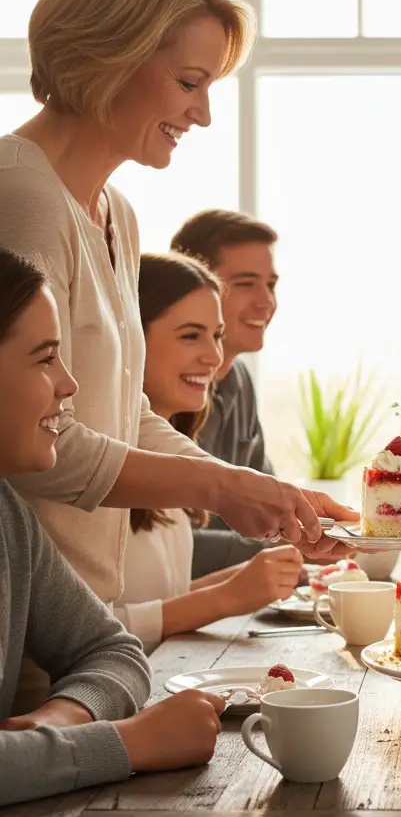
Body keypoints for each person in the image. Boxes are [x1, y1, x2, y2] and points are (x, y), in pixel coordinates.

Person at [0, 0, 353, 622]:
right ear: (110, 57)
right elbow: (38, 436)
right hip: (23, 616)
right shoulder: (21, 198)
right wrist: (219, 487)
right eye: (190, 83)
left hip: (83, 617)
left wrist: (250, 488)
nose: (204, 114)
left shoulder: (117, 215)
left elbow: (121, 411)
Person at [0, 246, 225, 807]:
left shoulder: (8, 517)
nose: (69, 384)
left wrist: (65, 715)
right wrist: (127, 743)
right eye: (45, 358)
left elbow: (111, 649)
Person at [115, 254, 303, 653]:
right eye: (190, 335)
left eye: (216, 335)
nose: (214, 356)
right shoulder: (97, 470)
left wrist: (251, 578)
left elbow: (163, 597)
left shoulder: (181, 463)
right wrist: (227, 597)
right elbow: (87, 632)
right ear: (130, 341)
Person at [170, 209, 279, 575]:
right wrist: (272, 550)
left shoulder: (241, 380)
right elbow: (166, 543)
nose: (266, 302)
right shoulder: (156, 393)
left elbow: (267, 501)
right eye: (246, 283)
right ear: (197, 287)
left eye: (271, 284)